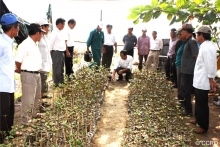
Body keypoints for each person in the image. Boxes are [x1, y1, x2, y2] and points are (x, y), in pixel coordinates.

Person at [15, 23, 45, 125]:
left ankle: (34, 114)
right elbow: (18, 61)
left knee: (36, 96)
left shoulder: (34, 44)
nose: (42, 35)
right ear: (37, 33)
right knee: (28, 98)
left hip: (36, 73)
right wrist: (20, 70)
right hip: (28, 74)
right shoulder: (25, 45)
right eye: (41, 33)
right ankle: (25, 120)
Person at [191, 26, 217, 134]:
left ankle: (203, 126)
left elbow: (210, 65)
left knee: (202, 103)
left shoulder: (206, 48)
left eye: (197, 34)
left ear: (202, 35)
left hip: (203, 80)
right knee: (198, 101)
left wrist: (211, 80)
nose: (196, 36)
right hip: (200, 79)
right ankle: (198, 119)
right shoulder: (205, 46)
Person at [0, 13, 21, 143]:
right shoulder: (1, 43)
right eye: (18, 27)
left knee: (9, 111)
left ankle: (9, 133)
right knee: (2, 114)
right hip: (1, 85)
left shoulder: (9, 42)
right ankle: (2, 139)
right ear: (12, 28)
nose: (19, 29)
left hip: (8, 83)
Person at [180, 23, 198, 116]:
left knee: (187, 91)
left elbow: (196, 57)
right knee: (184, 90)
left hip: (188, 71)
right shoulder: (187, 41)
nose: (181, 33)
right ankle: (186, 108)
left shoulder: (192, 42)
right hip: (185, 70)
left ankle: (189, 111)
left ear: (185, 31)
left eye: (182, 31)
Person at [38, 18, 52, 112]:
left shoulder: (45, 38)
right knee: (40, 87)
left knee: (43, 86)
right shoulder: (38, 39)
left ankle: (42, 102)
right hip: (41, 67)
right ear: (42, 27)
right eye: (47, 27)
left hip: (46, 66)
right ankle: (39, 105)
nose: (48, 29)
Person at [50, 18, 69, 87]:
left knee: (61, 67)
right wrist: (50, 53)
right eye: (63, 24)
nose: (63, 26)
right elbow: (51, 44)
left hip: (61, 52)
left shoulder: (60, 32)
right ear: (60, 24)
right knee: (56, 68)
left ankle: (61, 81)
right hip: (56, 52)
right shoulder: (54, 32)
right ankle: (56, 83)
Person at [175, 28, 185, 105]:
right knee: (179, 82)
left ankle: (181, 100)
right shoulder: (180, 43)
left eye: (179, 34)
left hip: (182, 65)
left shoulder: (186, 43)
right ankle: (179, 97)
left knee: (181, 83)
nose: (178, 36)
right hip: (178, 64)